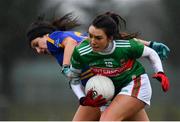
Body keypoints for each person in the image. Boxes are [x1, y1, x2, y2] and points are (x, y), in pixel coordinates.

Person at [26, 12, 170, 121]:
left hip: (111, 86)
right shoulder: (90, 39)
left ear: (45, 35)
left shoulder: (53, 38)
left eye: (36, 44)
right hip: (105, 88)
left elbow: (70, 42)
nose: (38, 50)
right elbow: (119, 39)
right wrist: (150, 44)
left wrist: (65, 67)